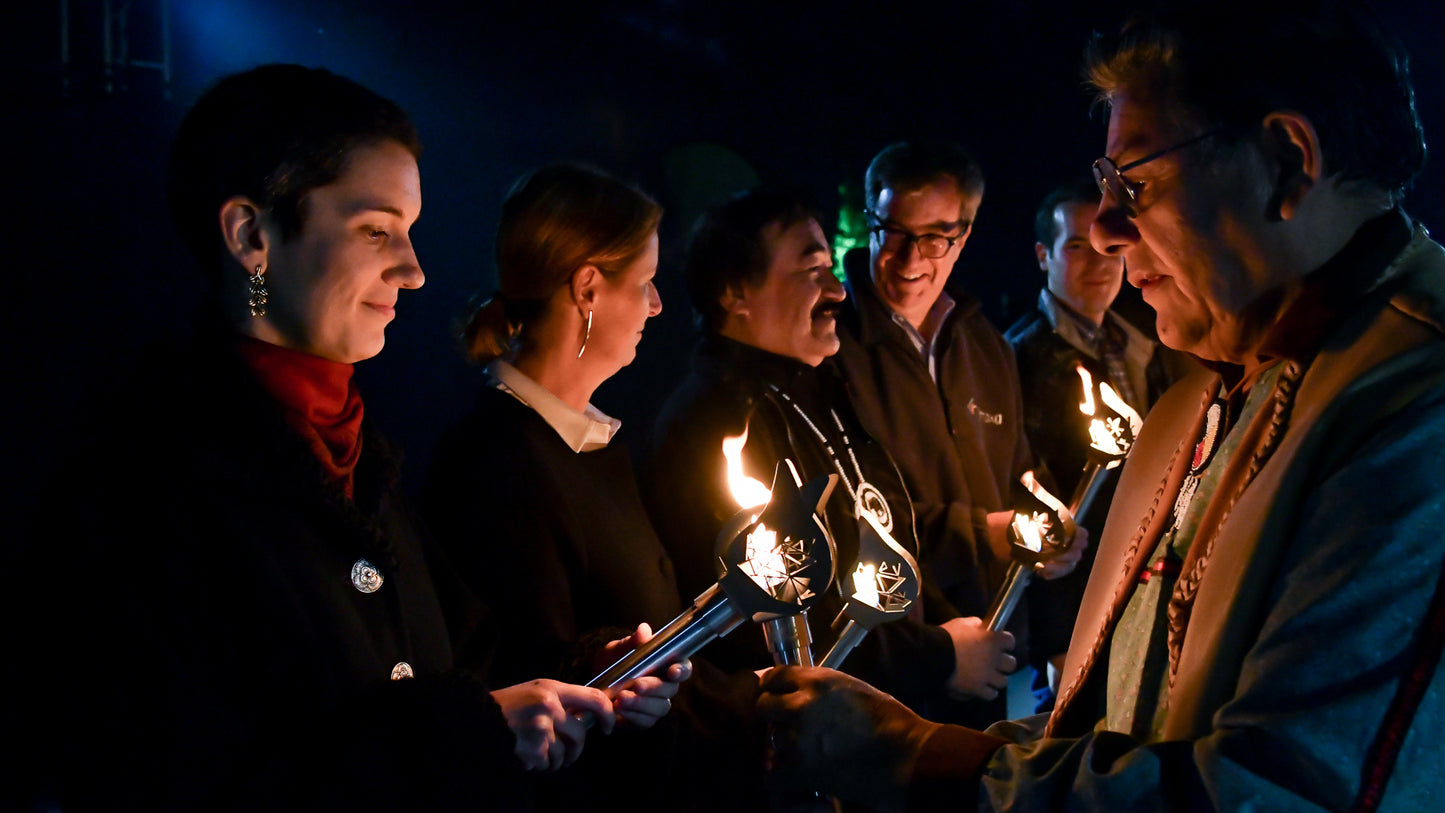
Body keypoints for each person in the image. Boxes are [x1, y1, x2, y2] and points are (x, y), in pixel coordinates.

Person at [759, 3, 1445, 810]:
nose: (1111, 229)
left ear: (1287, 160)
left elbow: (1274, 789)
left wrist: (919, 760)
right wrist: (926, 745)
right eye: (1102, 188)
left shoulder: (1413, 409)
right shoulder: (1223, 387)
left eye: (1136, 182)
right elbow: (1129, 726)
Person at [10, 66, 680, 812]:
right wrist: (470, 731)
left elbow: (465, 664)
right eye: (374, 229)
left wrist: (590, 675)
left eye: (411, 231)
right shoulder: (141, 487)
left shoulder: (360, 462)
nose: (415, 270)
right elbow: (165, 771)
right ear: (251, 235)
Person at [646, 189, 1074, 722]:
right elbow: (784, 617)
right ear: (736, 293)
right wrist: (936, 656)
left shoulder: (820, 389)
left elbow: (880, 529)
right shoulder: (718, 428)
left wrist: (949, 628)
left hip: (898, 713)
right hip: (825, 743)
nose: (836, 291)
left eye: (831, 267)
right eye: (811, 270)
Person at [423, 164, 767, 812]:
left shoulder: (590, 445)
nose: (657, 304)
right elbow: (523, 675)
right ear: (587, 288)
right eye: (643, 283)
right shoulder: (497, 461)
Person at [831, 141, 1050, 727]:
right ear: (870, 223)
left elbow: (1019, 477)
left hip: (996, 654)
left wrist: (1050, 530)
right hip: (895, 670)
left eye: (935, 238)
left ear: (967, 233)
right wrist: (984, 536)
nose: (909, 260)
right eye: (893, 232)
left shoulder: (988, 347)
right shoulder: (832, 348)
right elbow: (850, 519)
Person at [1004, 179, 1182, 707]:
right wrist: (1057, 639)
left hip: (1146, 583)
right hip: (1078, 601)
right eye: (1075, 246)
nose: (1099, 260)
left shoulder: (1145, 342)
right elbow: (1033, 496)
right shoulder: (1019, 358)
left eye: (1106, 245)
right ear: (1044, 256)